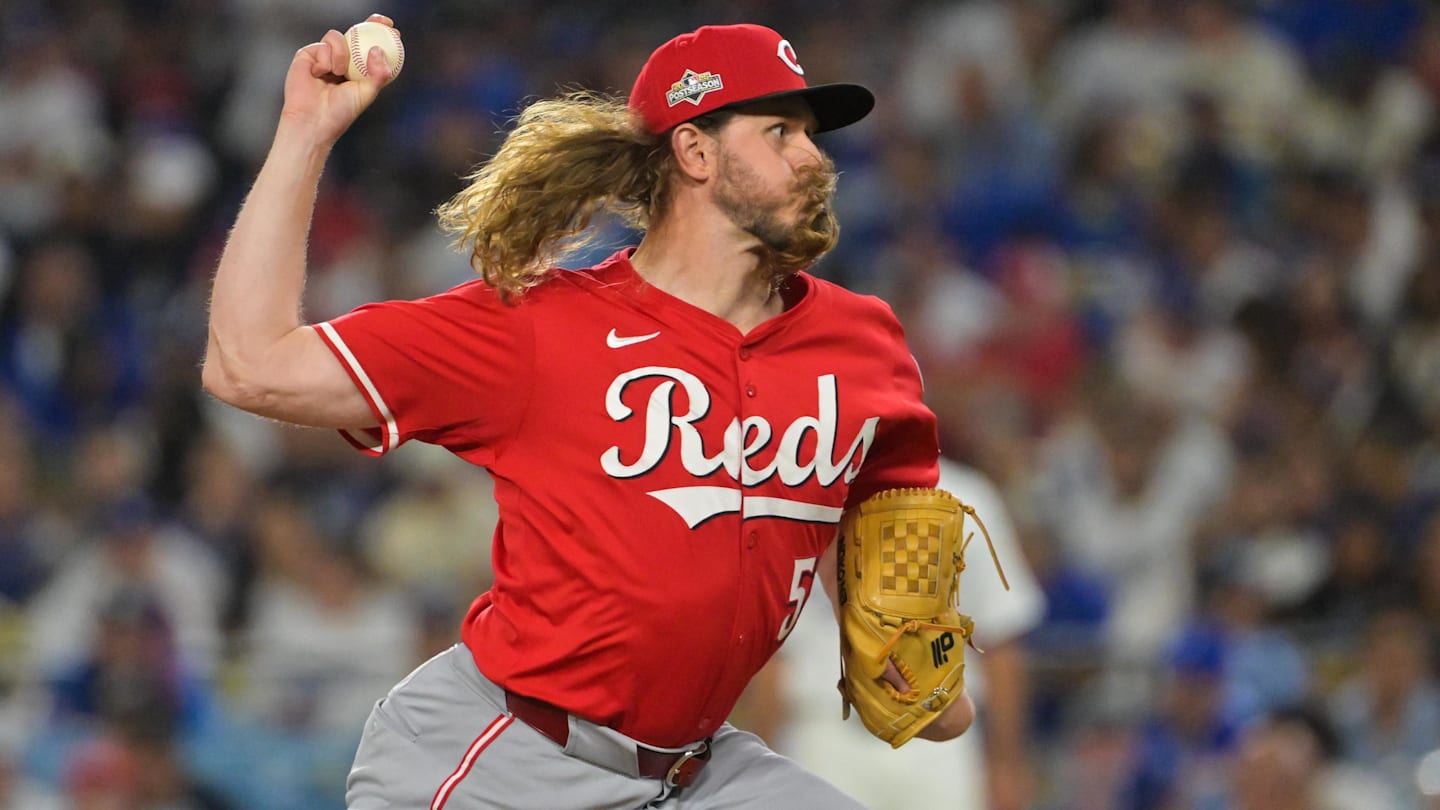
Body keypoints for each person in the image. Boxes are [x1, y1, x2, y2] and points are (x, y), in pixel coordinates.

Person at [202, 15, 972, 809]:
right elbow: (249, 363)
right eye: (780, 132)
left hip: (696, 772)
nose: (815, 157)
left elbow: (896, 588)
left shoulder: (862, 344)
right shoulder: (539, 328)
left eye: (811, 135)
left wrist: (918, 662)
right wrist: (304, 132)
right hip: (506, 755)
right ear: (695, 151)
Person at [740, 456, 1046, 810]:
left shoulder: (966, 494)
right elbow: (777, 651)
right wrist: (763, 756)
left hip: (937, 741)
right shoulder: (805, 495)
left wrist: (1006, 764)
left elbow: (1000, 641)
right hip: (826, 734)